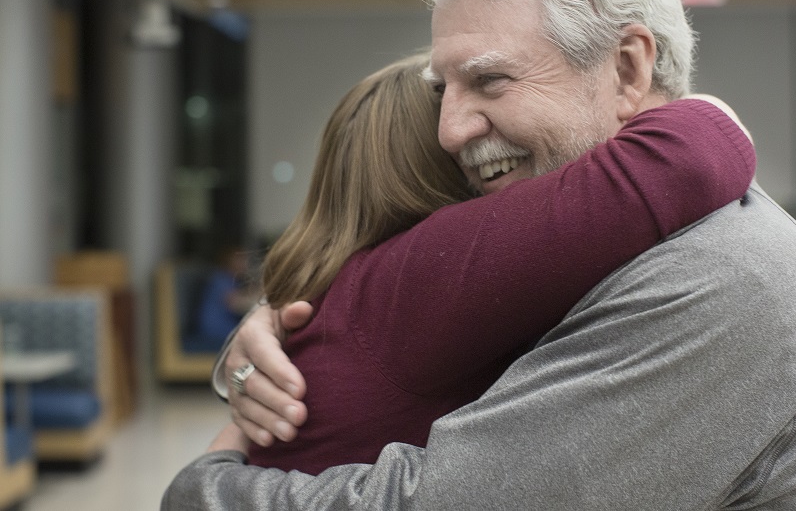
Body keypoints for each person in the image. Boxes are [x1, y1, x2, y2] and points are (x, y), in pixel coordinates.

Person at [164, 0, 796, 510]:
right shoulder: (601, 250)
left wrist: (208, 488)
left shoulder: (722, 274)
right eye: (444, 91)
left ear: (627, 68)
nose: (449, 131)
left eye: (490, 80)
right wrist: (264, 349)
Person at [235, 52, 752, 474]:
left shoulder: (337, 293)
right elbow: (694, 150)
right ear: (432, 160)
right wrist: (703, 102)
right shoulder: (420, 271)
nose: (464, 129)